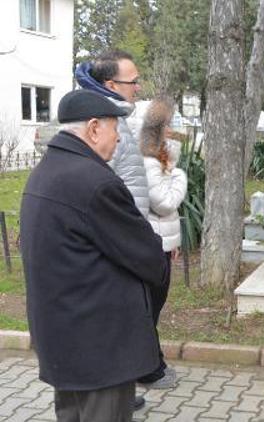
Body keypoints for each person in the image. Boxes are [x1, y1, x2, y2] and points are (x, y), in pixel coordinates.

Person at [20, 90, 167, 422]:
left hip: (63, 337)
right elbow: (148, 258)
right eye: (116, 130)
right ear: (94, 128)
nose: (118, 140)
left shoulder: (45, 172)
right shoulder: (95, 182)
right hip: (100, 346)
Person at [136, 97, 188, 390]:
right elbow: (165, 203)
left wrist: (173, 242)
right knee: (149, 309)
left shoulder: (159, 157)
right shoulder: (149, 161)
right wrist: (179, 176)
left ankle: (150, 363)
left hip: (162, 242)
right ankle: (149, 367)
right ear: (156, 127)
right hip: (153, 244)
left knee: (152, 308)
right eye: (169, 123)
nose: (173, 128)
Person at [75, 50, 149, 218]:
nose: (138, 87)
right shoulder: (105, 125)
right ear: (111, 86)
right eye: (133, 82)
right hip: (121, 234)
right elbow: (92, 190)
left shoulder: (113, 119)